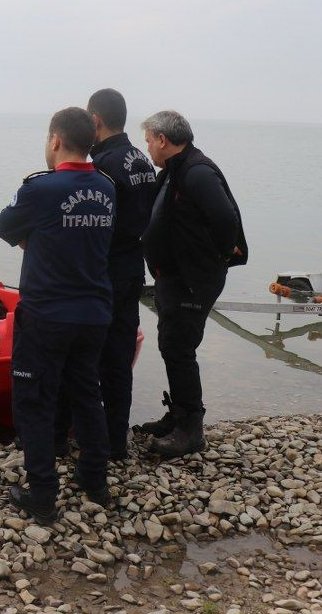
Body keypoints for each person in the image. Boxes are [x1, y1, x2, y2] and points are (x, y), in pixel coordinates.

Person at [0, 107, 115, 525]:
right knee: (86, 393)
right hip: (95, 312)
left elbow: (4, 227)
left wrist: (37, 235)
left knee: (35, 401)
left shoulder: (39, 189)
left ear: (54, 140)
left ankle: (43, 495)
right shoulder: (107, 187)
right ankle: (95, 481)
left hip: (48, 313)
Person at [138, 111, 247, 457]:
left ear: (162, 140)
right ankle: (179, 413)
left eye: (148, 141)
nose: (148, 149)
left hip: (193, 280)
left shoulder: (197, 172)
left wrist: (212, 260)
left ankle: (191, 431)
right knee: (172, 343)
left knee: (179, 346)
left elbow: (226, 218)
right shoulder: (176, 170)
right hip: (176, 277)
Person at [55, 89, 156, 461]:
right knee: (119, 359)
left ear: (94, 121)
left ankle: (71, 437)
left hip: (102, 274)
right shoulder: (141, 160)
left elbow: (89, 224)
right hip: (133, 269)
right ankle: (115, 439)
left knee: (80, 357)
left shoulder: (103, 167)